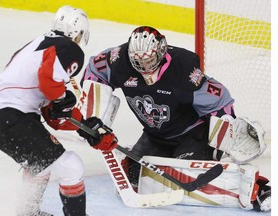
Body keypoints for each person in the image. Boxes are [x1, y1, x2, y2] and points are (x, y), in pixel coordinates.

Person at [82, 26, 271, 211]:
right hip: (154, 135)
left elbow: (219, 99)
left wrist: (225, 138)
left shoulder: (182, 72)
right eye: (138, 62)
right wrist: (94, 120)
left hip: (192, 134)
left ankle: (260, 188)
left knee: (186, 182)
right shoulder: (119, 61)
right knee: (135, 177)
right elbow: (94, 71)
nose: (144, 67)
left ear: (161, 51)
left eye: (149, 61)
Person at [0, 6, 117, 216]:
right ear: (78, 33)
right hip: (12, 116)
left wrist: (86, 129)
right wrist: (61, 99)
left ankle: (27, 212)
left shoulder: (38, 45)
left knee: (39, 165)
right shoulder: (68, 48)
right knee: (71, 166)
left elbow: (53, 115)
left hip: (4, 117)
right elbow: (49, 82)